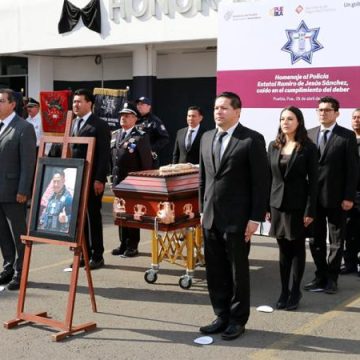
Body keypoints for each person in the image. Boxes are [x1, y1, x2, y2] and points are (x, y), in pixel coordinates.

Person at [199, 91, 269, 340]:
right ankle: (221, 315)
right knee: (215, 270)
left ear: (238, 112)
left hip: (238, 220)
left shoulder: (251, 140)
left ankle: (238, 320)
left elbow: (261, 183)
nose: (218, 112)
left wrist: (255, 218)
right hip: (210, 217)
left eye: (224, 108)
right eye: (216, 108)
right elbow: (204, 179)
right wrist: (201, 210)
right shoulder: (207, 138)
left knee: (237, 271)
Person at [304, 96, 359, 294]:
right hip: (313, 200)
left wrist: (349, 197)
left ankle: (332, 279)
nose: (323, 113)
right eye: (320, 110)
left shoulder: (346, 136)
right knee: (314, 240)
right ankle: (320, 275)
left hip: (337, 199)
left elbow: (353, 170)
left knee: (336, 241)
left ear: (336, 113)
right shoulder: (308, 134)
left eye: (327, 110)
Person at [266, 106, 318, 311]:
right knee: (283, 251)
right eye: (282, 119)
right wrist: (266, 206)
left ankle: (295, 291)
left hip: (298, 206)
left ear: (299, 122)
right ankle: (283, 291)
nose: (285, 122)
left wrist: (310, 210)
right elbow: (268, 178)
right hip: (277, 205)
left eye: (290, 119)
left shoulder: (308, 147)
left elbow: (314, 182)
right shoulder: (273, 145)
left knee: (296, 249)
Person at [0, 88, 36, 290]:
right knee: (2, 234)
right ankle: (8, 268)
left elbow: (28, 163)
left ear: (12, 104)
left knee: (19, 234)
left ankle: (21, 271)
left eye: (1, 101)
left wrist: (23, 190)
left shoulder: (23, 128)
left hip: (14, 192)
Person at [71, 89, 111, 270]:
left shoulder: (99, 125)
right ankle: (83, 253)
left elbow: (104, 155)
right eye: (74, 102)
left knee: (92, 216)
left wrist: (99, 179)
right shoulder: (72, 124)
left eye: (79, 101)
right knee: (79, 219)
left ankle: (97, 255)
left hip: (91, 178)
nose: (76, 105)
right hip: (75, 178)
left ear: (89, 104)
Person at [111, 102, 153, 257]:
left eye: (127, 116)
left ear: (135, 119)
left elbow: (146, 162)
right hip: (118, 181)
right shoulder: (115, 135)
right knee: (121, 213)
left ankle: (133, 245)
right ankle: (123, 243)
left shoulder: (141, 137)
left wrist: (144, 182)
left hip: (133, 183)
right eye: (122, 115)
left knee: (133, 214)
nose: (123, 118)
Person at [341, 108, 360, 275]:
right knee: (349, 231)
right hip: (349, 193)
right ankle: (350, 263)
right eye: (354, 117)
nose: (356, 120)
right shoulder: (346, 139)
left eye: (359, 118)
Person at [135, 96, 169, 168]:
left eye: (142, 104)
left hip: (148, 158)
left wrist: (150, 149)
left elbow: (164, 138)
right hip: (135, 156)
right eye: (138, 104)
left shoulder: (154, 120)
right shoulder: (133, 119)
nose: (139, 106)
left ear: (149, 107)